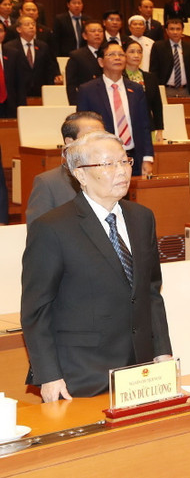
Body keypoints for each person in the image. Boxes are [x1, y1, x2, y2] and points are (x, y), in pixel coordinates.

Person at [21, 131, 172, 400]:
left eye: (125, 162)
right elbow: (37, 309)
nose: (122, 171)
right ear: (79, 174)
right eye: (108, 164)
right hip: (81, 372)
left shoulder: (142, 218)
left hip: (139, 369)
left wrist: (162, 351)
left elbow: (150, 292)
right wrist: (49, 375)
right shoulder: (53, 228)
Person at [76, 41, 155, 177]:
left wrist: (148, 158)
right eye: (112, 54)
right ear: (101, 62)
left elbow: (144, 126)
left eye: (121, 54)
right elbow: (82, 129)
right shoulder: (87, 90)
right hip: (103, 158)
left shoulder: (136, 89)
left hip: (134, 157)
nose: (118, 58)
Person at [26, 111, 105, 225]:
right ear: (70, 142)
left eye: (102, 137)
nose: (100, 143)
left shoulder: (111, 176)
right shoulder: (48, 183)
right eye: (91, 137)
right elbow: (37, 233)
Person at [122, 39, 164, 139]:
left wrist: (160, 130)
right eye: (132, 52)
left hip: (147, 126)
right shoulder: (119, 77)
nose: (136, 55)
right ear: (124, 54)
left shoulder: (150, 77)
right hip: (124, 126)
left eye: (139, 52)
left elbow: (157, 106)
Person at [149, 18, 190, 98]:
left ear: (182, 30)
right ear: (166, 31)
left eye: (178, 29)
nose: (175, 32)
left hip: (186, 90)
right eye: (172, 29)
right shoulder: (158, 46)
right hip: (166, 89)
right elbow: (154, 71)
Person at [65, 20, 104, 104]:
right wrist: (74, 103)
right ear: (85, 36)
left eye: (100, 31)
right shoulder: (77, 56)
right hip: (87, 99)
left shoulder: (109, 53)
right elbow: (71, 85)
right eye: (93, 31)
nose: (97, 34)